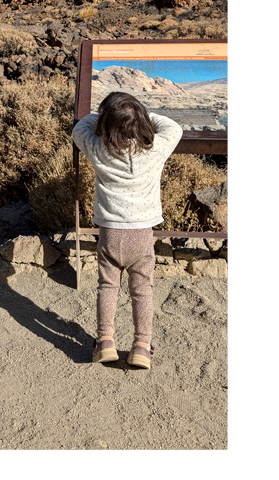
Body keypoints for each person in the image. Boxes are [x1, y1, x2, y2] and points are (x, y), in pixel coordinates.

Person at [72, 91, 182, 368]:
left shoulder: (98, 148)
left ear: (107, 125)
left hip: (110, 231)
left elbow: (80, 127)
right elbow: (174, 127)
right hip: (142, 234)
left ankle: (105, 342)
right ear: (143, 122)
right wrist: (142, 117)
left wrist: (104, 116)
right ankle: (142, 346)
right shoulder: (155, 148)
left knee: (107, 286)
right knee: (142, 289)